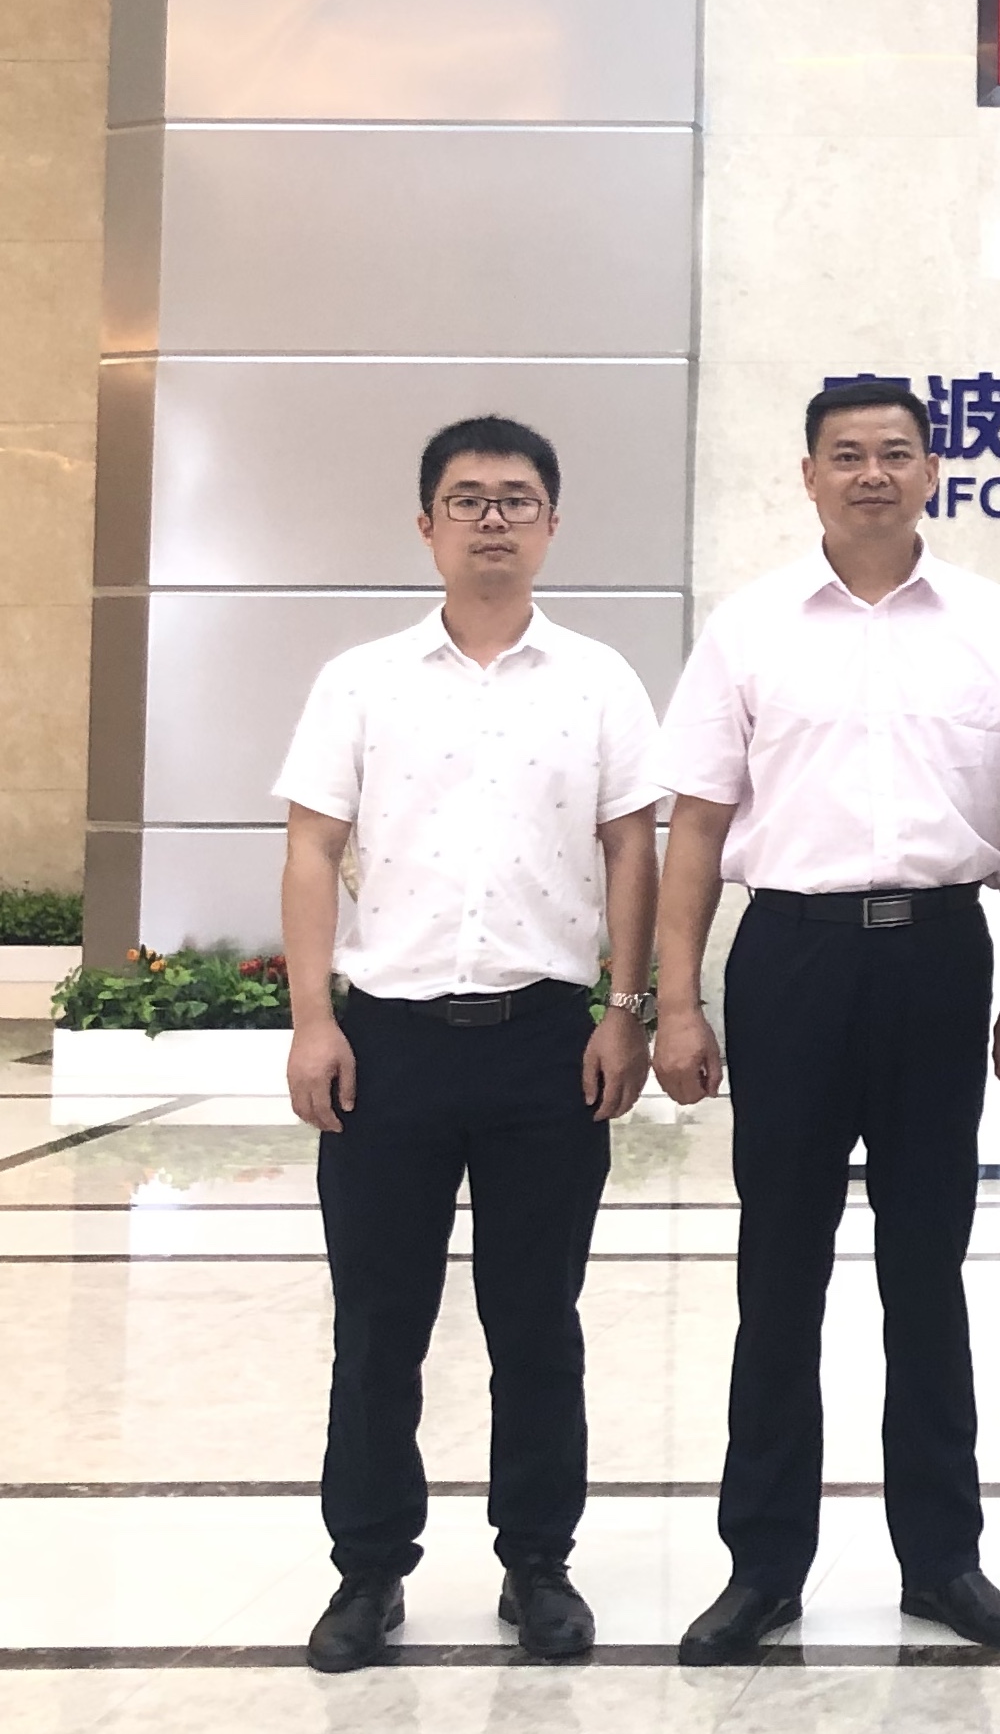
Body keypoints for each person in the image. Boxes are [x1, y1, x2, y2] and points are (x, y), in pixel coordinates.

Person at [650, 378, 1000, 1665]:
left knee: (927, 1270)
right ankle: (763, 1566)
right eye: (847, 454)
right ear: (810, 474)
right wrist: (675, 998)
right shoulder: (750, 627)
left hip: (940, 956)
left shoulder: (988, 623)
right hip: (793, 959)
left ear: (933, 470)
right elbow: (698, 824)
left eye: (895, 452)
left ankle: (943, 1561)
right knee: (780, 1271)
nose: (872, 473)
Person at [274, 414, 661, 1673]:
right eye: (468, 499)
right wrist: (314, 1019)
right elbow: (312, 849)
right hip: (388, 1045)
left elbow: (632, 850)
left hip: (546, 1043)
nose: (493, 519)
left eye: (515, 499)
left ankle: (537, 1564)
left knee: (536, 1321)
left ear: (552, 523)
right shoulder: (362, 680)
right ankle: (368, 1570)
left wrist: (625, 1008)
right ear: (427, 524)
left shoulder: (599, 680)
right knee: (377, 1324)